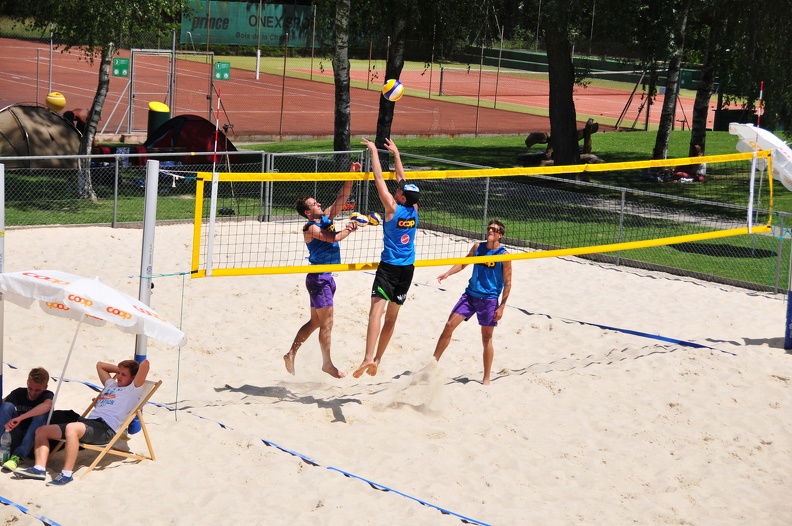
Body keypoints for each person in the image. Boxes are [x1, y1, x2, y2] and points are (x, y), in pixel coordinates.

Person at [13, 358, 150, 486]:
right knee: (42, 431)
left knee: (72, 428)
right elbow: (100, 365)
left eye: (124, 375)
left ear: (133, 378)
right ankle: (39, 468)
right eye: (118, 373)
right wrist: (121, 369)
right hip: (88, 424)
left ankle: (66, 474)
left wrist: (133, 372)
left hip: (105, 428)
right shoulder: (111, 385)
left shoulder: (133, 390)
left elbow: (145, 364)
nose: (119, 376)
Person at [284, 163, 361, 378]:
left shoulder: (326, 218)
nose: (318, 203)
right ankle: (327, 364)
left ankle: (291, 354)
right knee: (327, 323)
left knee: (316, 322)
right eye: (314, 204)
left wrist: (351, 174)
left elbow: (342, 197)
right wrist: (349, 228)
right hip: (319, 279)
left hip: (323, 278)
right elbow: (333, 238)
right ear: (308, 212)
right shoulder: (310, 228)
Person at [353, 138, 419, 378]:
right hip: (407, 269)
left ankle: (368, 358)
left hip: (389, 269)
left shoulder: (392, 207)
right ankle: (378, 359)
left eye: (400, 190)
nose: (398, 188)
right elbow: (401, 177)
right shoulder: (414, 209)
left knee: (375, 313)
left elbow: (379, 178)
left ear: (401, 198)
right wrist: (397, 154)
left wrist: (373, 151)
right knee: (391, 318)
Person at [432, 220, 512, 385]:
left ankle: (486, 378)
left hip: (489, 299)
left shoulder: (504, 255)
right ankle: (432, 364)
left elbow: (508, 282)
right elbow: (464, 262)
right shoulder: (478, 247)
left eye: (494, 229)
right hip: (470, 295)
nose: (490, 230)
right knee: (449, 326)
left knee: (486, 338)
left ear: (500, 235)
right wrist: (448, 273)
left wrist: (502, 306)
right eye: (489, 228)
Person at [0, 367, 54, 473]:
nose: (32, 392)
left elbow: (47, 406)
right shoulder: (18, 393)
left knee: (41, 415)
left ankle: (17, 457)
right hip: (13, 436)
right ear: (27, 383)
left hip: (32, 442)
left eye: (37, 390)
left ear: (45, 387)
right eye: (30, 388)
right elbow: (3, 405)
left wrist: (20, 418)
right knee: (6, 406)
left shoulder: (47, 395)